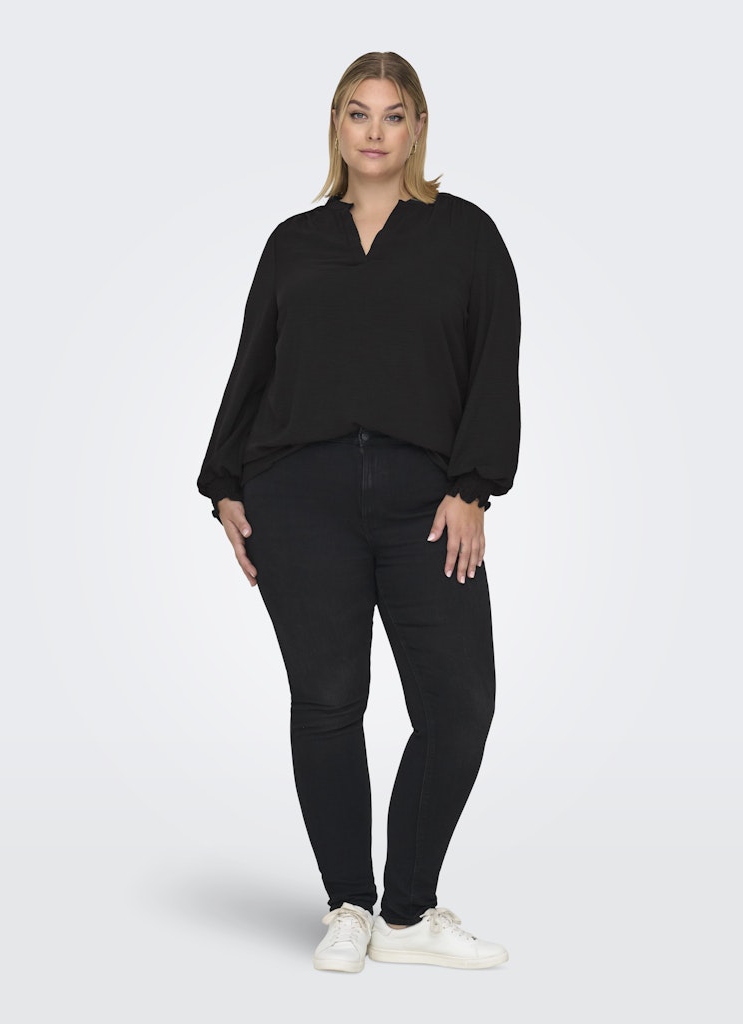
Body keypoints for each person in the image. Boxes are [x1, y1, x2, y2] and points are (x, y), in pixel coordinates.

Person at [197, 51, 521, 973]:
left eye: (393, 114)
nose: (375, 131)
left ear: (417, 128)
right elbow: (255, 362)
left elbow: (495, 362)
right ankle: (349, 905)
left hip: (428, 500)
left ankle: (407, 914)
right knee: (329, 701)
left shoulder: (465, 235)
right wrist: (224, 484)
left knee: (459, 704)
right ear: (336, 126)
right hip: (300, 495)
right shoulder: (295, 242)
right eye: (357, 112)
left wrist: (473, 487)